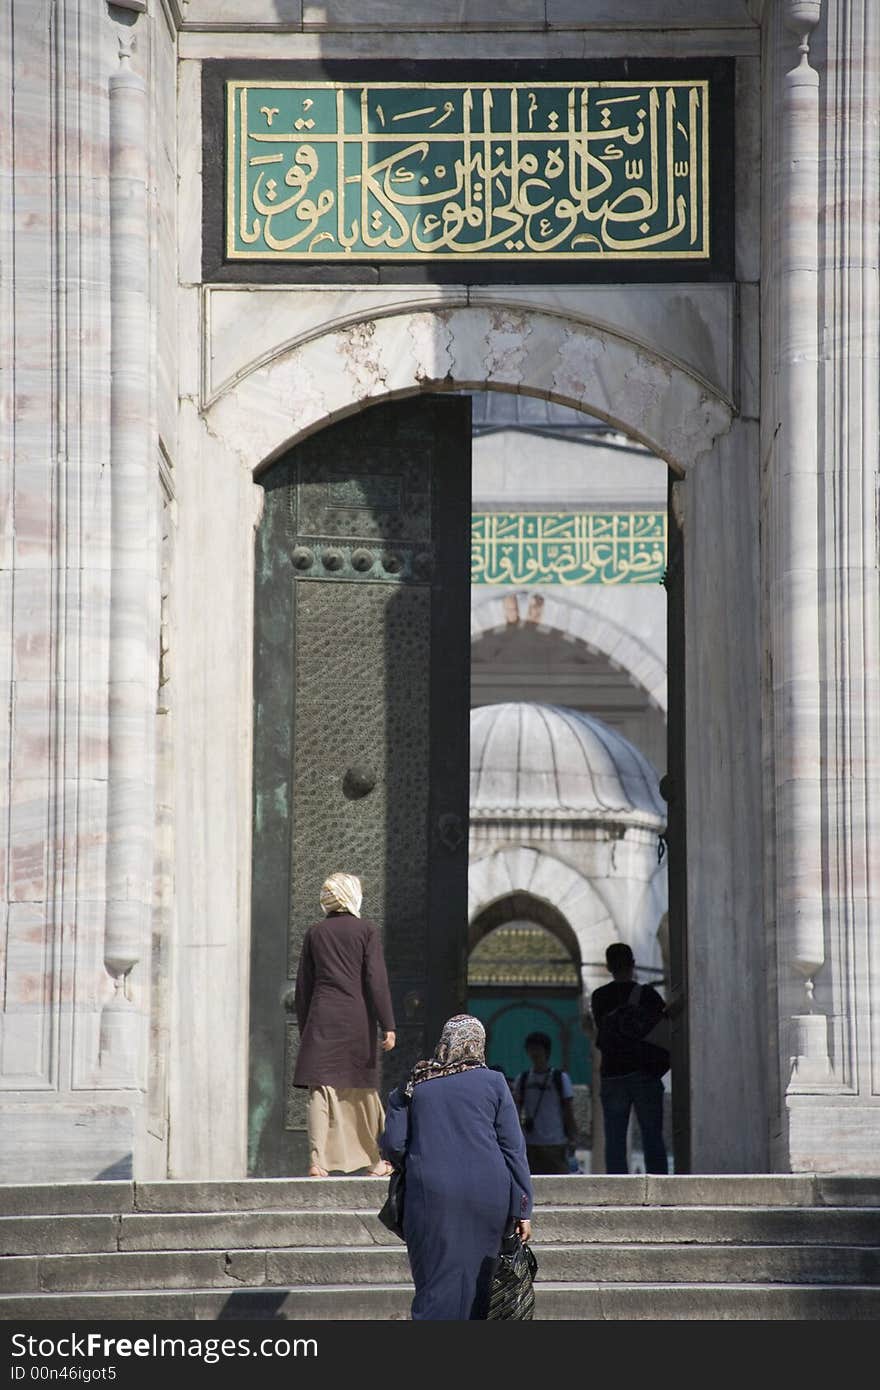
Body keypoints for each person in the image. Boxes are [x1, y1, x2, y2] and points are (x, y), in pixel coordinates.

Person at [379, 1014, 533, 1321]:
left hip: (430, 1196)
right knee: (481, 1284)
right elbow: (513, 1149)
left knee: (435, 1283)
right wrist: (523, 1207)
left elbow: (394, 1143)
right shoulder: (494, 1082)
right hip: (489, 1196)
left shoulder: (415, 1082)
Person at [293, 872, 396, 1178]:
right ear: (353, 895)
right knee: (362, 1090)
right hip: (356, 1019)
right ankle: (376, 1161)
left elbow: (303, 987)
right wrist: (388, 1022)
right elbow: (376, 980)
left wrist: (305, 1030)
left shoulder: (315, 932)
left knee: (320, 1091)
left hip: (321, 1017)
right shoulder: (366, 931)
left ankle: (317, 1161)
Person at [590, 942, 669, 1175]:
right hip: (645, 1074)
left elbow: (600, 1031)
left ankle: (617, 1192)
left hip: (612, 1075)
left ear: (608, 967)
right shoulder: (649, 996)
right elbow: (664, 1033)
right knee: (652, 1135)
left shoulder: (599, 997)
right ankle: (660, 1188)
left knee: (614, 1139)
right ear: (633, 964)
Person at [512, 1032, 578, 1175]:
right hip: (531, 1144)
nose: (534, 1053)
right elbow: (516, 1109)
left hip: (556, 1143)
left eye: (538, 1048)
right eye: (531, 1048)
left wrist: (573, 1137)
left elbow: (568, 1109)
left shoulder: (560, 1078)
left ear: (546, 1051)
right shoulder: (522, 1080)